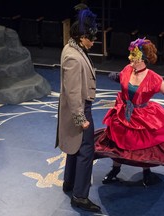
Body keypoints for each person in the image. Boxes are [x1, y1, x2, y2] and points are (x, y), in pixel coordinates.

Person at [94, 38, 164, 187]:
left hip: (142, 117)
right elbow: (124, 81)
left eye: (133, 55)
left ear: (142, 58)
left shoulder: (153, 78)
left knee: (144, 147)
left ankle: (146, 172)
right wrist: (116, 77)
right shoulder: (127, 69)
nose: (130, 57)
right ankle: (115, 170)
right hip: (122, 114)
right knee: (117, 144)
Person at [55, 4, 101, 213]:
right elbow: (73, 93)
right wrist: (80, 119)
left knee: (74, 147)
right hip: (81, 108)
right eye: (91, 38)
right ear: (81, 36)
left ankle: (69, 182)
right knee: (85, 152)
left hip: (79, 106)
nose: (93, 42)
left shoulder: (73, 47)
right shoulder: (73, 56)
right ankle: (80, 196)